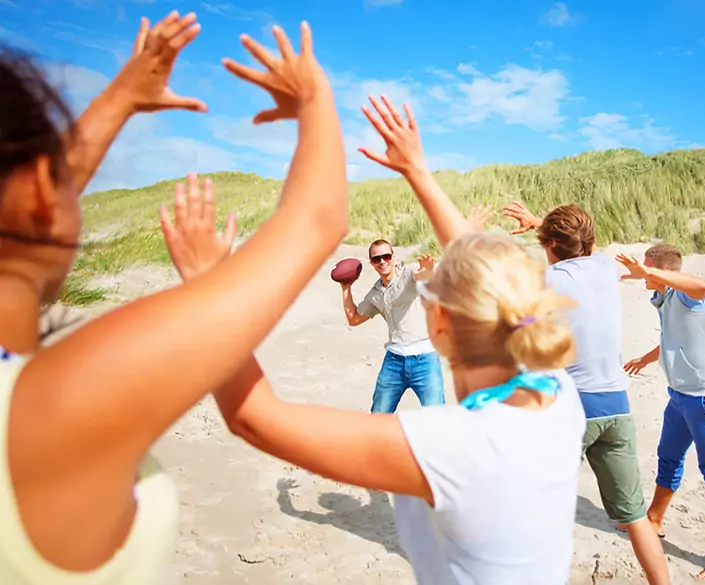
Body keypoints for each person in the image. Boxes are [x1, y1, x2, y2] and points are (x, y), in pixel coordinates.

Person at [0, 16, 347, 585]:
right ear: (42, 190)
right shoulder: (54, 402)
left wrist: (120, 97)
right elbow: (318, 218)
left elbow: (34, 209)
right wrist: (314, 97)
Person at [200, 94, 586, 585]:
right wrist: (419, 174)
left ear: (438, 325)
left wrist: (209, 290)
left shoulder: (448, 443)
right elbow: (484, 275)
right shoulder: (558, 392)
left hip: (419, 370)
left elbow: (254, 418)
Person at [502, 202, 669, 585]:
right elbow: (581, 246)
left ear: (548, 244)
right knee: (635, 517)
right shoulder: (607, 267)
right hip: (617, 409)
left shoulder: (547, 284)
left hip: (573, 412)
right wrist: (542, 225)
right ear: (588, 240)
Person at [620, 244, 705, 581]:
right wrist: (646, 359)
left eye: (647, 268)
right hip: (681, 395)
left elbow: (701, 286)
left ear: (662, 270)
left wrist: (650, 273)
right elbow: (676, 337)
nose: (642, 274)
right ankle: (655, 519)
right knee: (669, 456)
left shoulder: (691, 294)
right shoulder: (668, 299)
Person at [340, 241, 445, 413]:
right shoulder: (375, 294)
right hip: (394, 362)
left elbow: (422, 275)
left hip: (424, 360)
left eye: (386, 256)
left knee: (437, 417)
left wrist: (427, 271)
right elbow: (354, 319)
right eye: (377, 258)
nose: (382, 261)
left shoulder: (408, 273)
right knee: (378, 416)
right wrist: (346, 289)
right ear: (371, 262)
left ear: (393, 257)